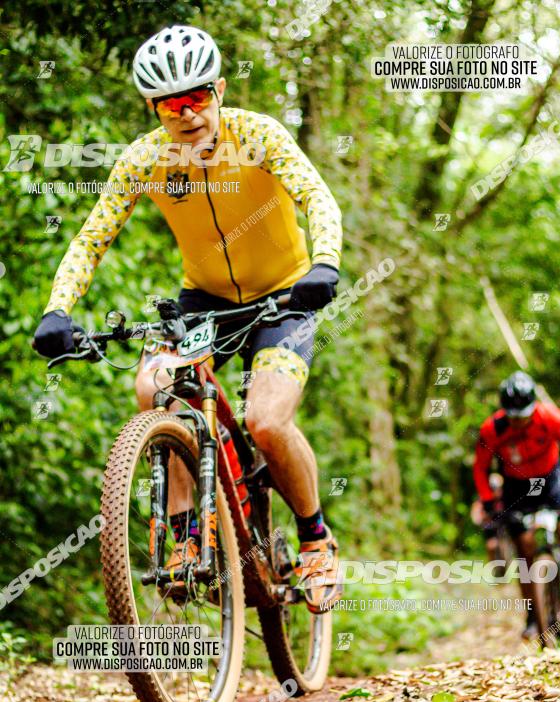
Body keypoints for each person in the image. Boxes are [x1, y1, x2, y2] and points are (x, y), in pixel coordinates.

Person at [33, 25, 344, 612]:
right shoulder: (144, 158)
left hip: (284, 296)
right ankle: (184, 540)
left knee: (269, 422)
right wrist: (58, 309)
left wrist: (324, 264)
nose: (187, 112)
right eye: (171, 103)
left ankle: (315, 539)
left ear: (219, 89)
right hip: (206, 300)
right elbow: (92, 239)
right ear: (152, 107)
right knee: (156, 389)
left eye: (197, 96)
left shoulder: (258, 136)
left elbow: (316, 196)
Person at [473, 371, 560, 638]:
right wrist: (489, 502)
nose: (519, 422)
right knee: (524, 550)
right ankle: (532, 615)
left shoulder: (550, 416)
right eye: (513, 417)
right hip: (517, 488)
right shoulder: (492, 430)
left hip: (551, 483)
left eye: (523, 416)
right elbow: (480, 467)